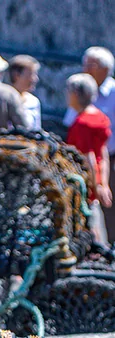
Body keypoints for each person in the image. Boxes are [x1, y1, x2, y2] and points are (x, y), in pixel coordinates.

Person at [66, 73, 112, 243]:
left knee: (90, 224)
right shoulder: (100, 117)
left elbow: (89, 158)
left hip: (86, 181)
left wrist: (94, 186)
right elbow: (103, 154)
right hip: (98, 178)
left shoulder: (82, 123)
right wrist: (103, 183)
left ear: (75, 94)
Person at [9, 55, 41, 130]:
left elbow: (37, 130)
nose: (35, 79)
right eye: (32, 74)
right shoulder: (4, 100)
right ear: (17, 75)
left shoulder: (33, 101)